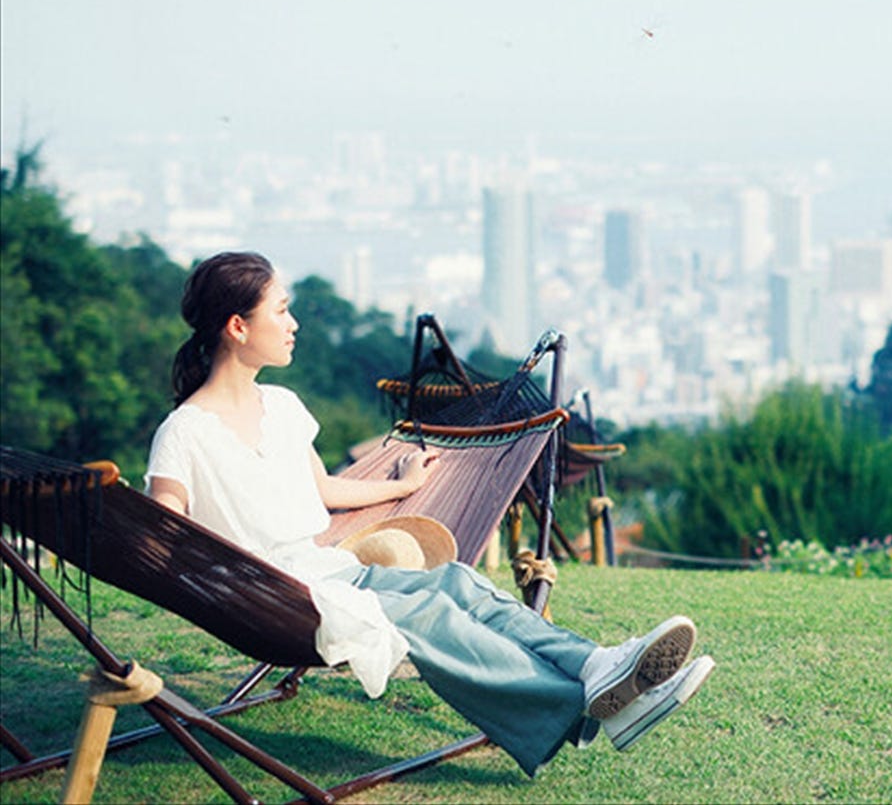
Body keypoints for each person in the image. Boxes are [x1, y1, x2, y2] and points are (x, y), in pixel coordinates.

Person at [144, 251, 714, 776]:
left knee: (457, 583)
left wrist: (403, 485)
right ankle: (590, 706)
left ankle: (598, 668)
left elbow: (321, 489)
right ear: (238, 327)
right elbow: (164, 536)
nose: (293, 324)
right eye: (282, 311)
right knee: (433, 616)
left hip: (328, 572)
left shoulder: (284, 406)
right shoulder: (184, 433)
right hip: (276, 598)